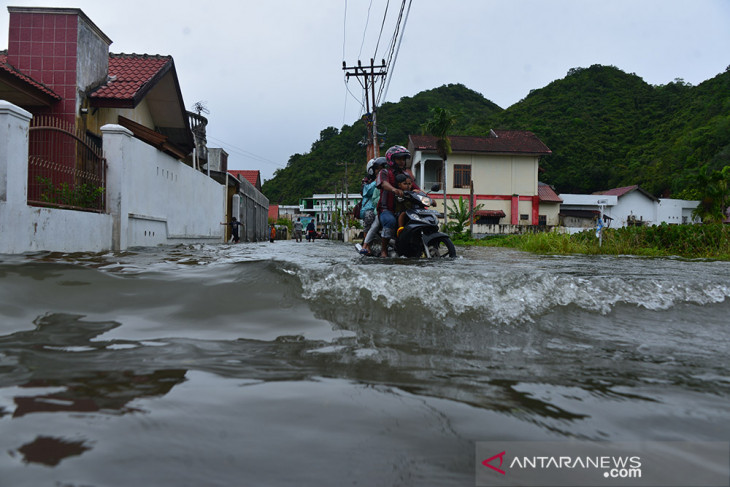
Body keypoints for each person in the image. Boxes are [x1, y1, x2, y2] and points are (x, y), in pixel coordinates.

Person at [376, 145, 420, 257]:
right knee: (390, 221)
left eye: (403, 159)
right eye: (399, 159)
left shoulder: (406, 175)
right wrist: (393, 189)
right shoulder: (384, 172)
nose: (401, 161)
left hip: (404, 208)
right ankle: (384, 250)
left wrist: (425, 195)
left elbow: (416, 187)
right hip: (387, 209)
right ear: (391, 159)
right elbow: (383, 184)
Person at [359, 157, 386, 255]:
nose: (380, 171)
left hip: (383, 205)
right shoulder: (367, 181)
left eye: (382, 168)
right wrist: (377, 180)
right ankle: (367, 246)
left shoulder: (387, 177)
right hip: (370, 207)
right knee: (369, 216)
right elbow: (367, 192)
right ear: (371, 170)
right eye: (377, 169)